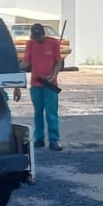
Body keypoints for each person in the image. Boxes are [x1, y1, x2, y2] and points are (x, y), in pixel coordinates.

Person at [22, 23, 63, 151]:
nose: (37, 39)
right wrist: (22, 65)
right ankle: (39, 139)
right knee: (37, 113)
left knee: (51, 113)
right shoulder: (31, 44)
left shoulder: (54, 43)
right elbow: (27, 61)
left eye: (38, 36)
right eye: (35, 37)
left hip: (50, 84)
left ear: (43, 34)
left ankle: (54, 140)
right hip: (35, 83)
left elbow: (58, 62)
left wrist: (54, 75)